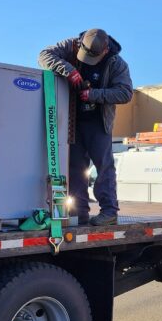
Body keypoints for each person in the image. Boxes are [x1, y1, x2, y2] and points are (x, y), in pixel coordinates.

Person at [38, 28, 133, 226]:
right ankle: (78, 214)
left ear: (105, 51)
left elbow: (125, 93)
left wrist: (93, 95)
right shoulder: (70, 45)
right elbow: (44, 55)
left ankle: (109, 212)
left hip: (98, 122)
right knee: (75, 168)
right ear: (81, 44)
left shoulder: (116, 63)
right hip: (72, 121)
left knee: (104, 166)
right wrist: (69, 70)